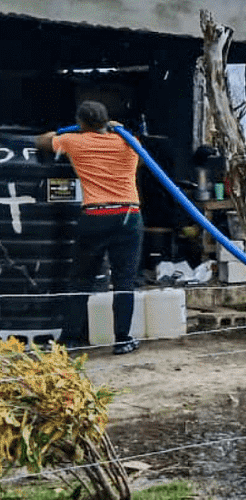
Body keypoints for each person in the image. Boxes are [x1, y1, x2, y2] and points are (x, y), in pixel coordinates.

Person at [36, 101, 144, 355]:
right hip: (128, 215)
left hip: (95, 215)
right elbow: (138, 164)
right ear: (107, 120)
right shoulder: (130, 142)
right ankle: (122, 340)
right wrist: (118, 130)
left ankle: (70, 340)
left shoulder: (74, 141)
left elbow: (40, 140)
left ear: (81, 122)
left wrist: (65, 131)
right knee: (124, 281)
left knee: (80, 281)